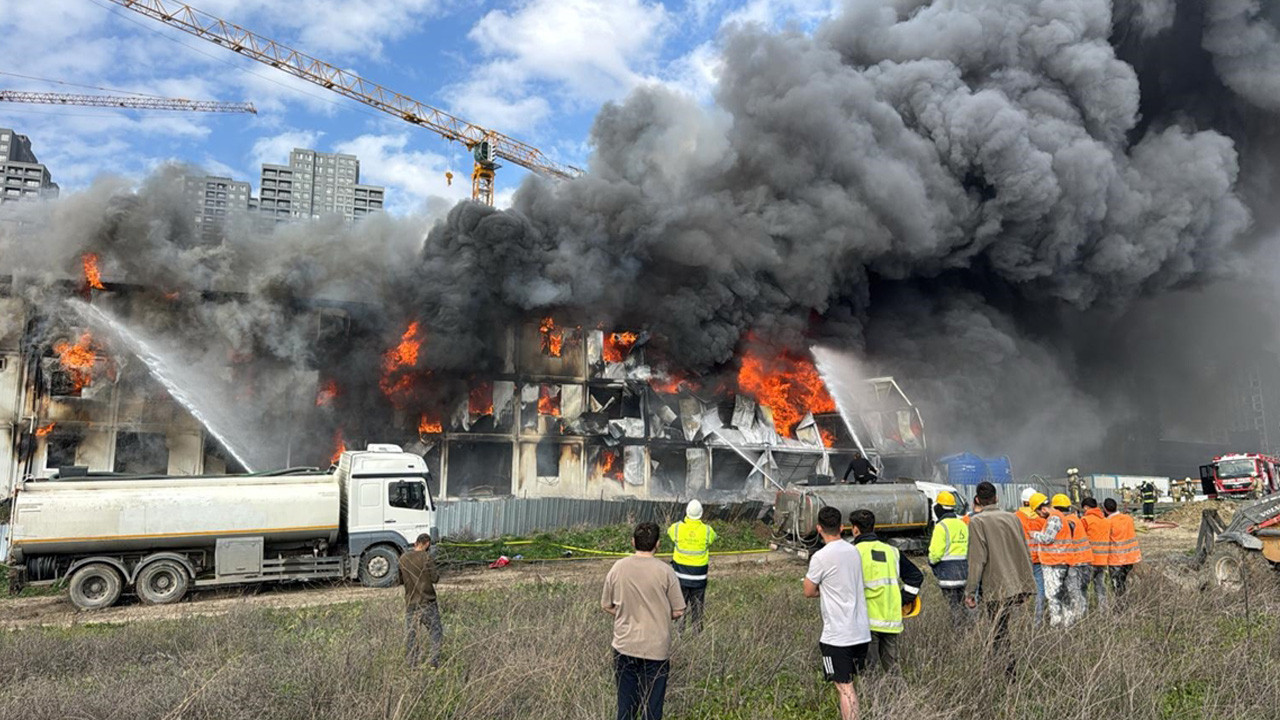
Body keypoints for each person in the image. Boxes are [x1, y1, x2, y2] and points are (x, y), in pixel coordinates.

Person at [602, 522, 687, 720]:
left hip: (624, 646)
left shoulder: (618, 568)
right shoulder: (666, 571)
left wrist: (626, 613)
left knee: (626, 708)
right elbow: (679, 610)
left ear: (633, 542)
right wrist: (660, 615)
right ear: (658, 544)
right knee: (652, 710)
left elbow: (606, 605)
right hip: (656, 649)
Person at [804, 506, 871, 720]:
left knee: (844, 687)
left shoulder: (821, 557)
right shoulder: (854, 551)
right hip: (861, 632)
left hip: (838, 636)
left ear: (818, 528)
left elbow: (808, 591)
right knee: (851, 684)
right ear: (842, 527)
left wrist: (824, 590)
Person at [964, 482, 1035, 675]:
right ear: (996, 498)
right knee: (1003, 627)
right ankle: (1003, 667)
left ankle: (1007, 671)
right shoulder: (1013, 518)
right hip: (1017, 583)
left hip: (995, 586)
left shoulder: (977, 522)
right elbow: (1024, 551)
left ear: (977, 500)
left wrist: (970, 592)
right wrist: (1028, 584)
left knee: (999, 629)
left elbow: (977, 560)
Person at [849, 508, 923, 673]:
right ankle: (900, 698)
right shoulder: (892, 552)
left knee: (870, 671)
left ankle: (874, 699)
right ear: (873, 527)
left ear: (855, 529)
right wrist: (902, 599)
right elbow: (916, 576)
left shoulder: (854, 553)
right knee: (893, 671)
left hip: (867, 621)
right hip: (891, 620)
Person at [1032, 493, 1088, 627]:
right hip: (1062, 561)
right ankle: (1068, 624)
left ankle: (1057, 626)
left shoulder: (1054, 518)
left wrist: (1033, 534)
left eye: (1037, 512)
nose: (1039, 515)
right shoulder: (1061, 517)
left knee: (1054, 596)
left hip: (1055, 563)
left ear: (1043, 509)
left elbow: (1047, 538)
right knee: (1064, 595)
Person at [667, 499, 717, 633]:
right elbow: (713, 538)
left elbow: (669, 532)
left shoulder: (677, 528)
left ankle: (679, 633)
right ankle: (697, 633)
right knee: (698, 607)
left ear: (686, 512)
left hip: (680, 577)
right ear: (701, 514)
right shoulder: (707, 531)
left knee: (679, 606)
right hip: (699, 579)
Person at [400, 533, 443, 669]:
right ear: (427, 544)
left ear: (415, 542)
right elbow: (435, 578)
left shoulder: (403, 558)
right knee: (435, 632)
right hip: (427, 601)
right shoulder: (426, 557)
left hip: (411, 603)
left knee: (411, 636)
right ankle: (434, 662)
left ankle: (412, 664)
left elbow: (400, 580)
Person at [927, 490, 969, 627]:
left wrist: (931, 563)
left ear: (939, 508)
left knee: (954, 608)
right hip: (964, 574)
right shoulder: (963, 524)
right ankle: (968, 632)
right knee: (964, 606)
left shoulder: (941, 527)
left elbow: (935, 553)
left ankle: (958, 636)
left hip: (948, 576)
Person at [1015, 486, 1047, 623]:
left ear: (1023, 502)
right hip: (1039, 560)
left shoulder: (1015, 517)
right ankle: (1037, 621)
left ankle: (1018, 621)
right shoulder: (1042, 519)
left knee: (1019, 590)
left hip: (1021, 561)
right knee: (1040, 591)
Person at [1104, 498, 1141, 598]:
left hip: (1116, 559)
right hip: (1130, 558)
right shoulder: (1128, 518)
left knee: (1117, 585)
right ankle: (1125, 601)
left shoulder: (1107, 522)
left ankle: (1120, 607)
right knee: (1123, 581)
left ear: (1105, 510)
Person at [1079, 497, 1110, 608]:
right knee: (1100, 586)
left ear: (1086, 507)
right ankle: (1104, 611)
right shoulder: (1105, 520)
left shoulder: (1085, 520)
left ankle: (1083, 612)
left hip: (1090, 560)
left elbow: (1080, 539)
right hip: (1103, 560)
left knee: (1083, 587)